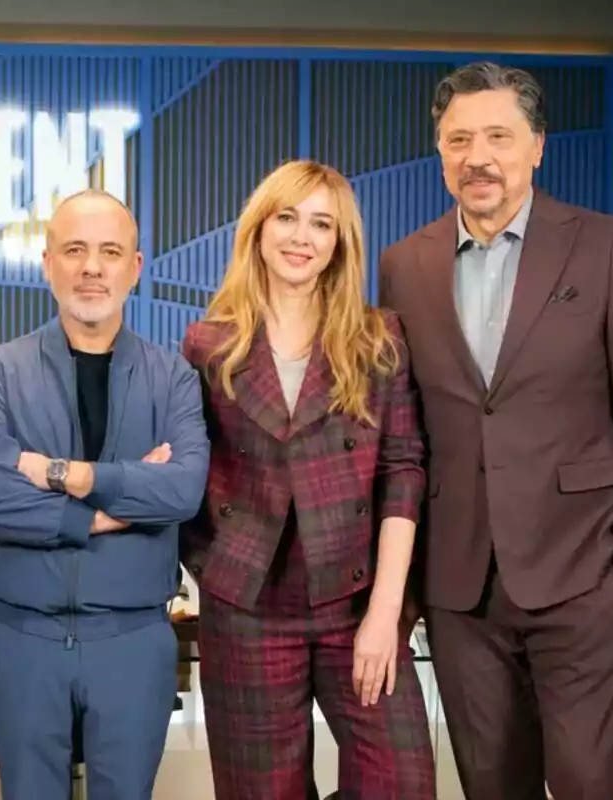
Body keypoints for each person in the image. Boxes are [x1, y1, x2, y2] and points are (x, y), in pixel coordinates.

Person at [379, 61, 613, 800]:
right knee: (492, 786)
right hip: (461, 591)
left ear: (537, 147)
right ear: (440, 152)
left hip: (584, 577)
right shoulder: (403, 265)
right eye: (458, 139)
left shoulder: (608, 248)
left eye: (497, 136)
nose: (477, 156)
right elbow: (405, 430)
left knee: (588, 784)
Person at [180, 160, 435, 799]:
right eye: (288, 218)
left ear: (340, 242)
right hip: (247, 606)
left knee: (400, 782)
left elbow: (403, 472)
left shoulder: (380, 339)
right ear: (259, 230)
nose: (302, 237)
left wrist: (384, 615)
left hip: (355, 596)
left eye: (322, 224)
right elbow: (187, 470)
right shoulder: (209, 344)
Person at [0, 189, 209, 800]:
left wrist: (67, 476)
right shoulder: (0, 371)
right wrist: (107, 514)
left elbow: (181, 490)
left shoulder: (173, 375)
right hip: (21, 640)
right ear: (47, 263)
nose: (92, 267)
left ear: (135, 266)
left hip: (134, 640)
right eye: (75, 250)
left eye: (109, 251)